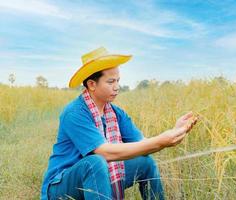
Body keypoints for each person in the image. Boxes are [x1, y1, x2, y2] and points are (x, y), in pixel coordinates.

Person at [40, 47, 198, 200]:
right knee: (95, 163)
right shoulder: (75, 113)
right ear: (91, 84)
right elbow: (105, 152)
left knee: (146, 162)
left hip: (99, 176)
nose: (117, 87)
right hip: (61, 187)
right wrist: (161, 141)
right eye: (110, 82)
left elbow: (143, 144)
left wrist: (173, 132)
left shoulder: (116, 113)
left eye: (118, 81)